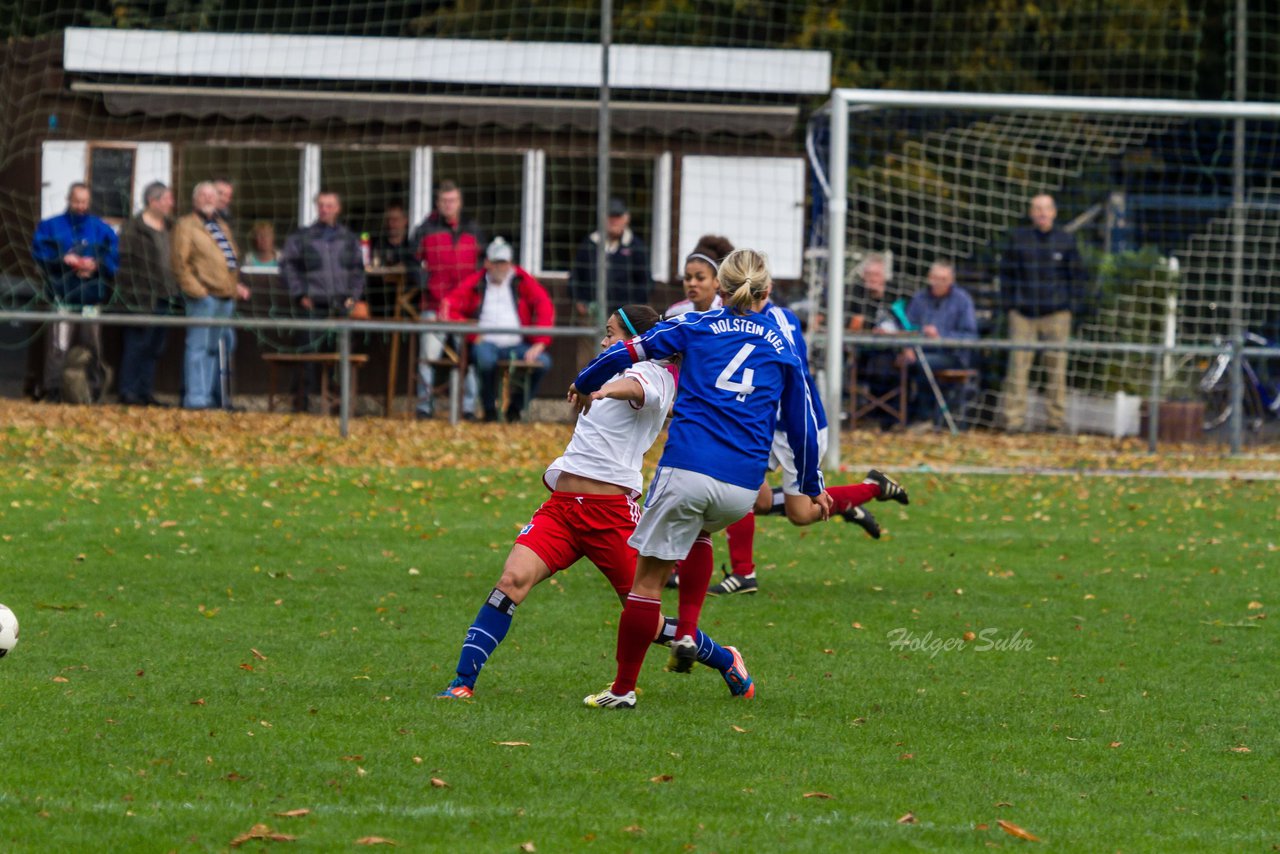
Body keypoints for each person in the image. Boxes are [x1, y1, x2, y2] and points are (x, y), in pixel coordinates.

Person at [437, 305, 754, 703]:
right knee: (511, 581)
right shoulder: (604, 369)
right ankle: (462, 682)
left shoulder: (657, 374)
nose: (604, 341)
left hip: (612, 515)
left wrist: (604, 388)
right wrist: (596, 380)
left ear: (634, 339)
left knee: (648, 621)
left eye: (611, 333)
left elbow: (637, 389)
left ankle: (726, 659)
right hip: (563, 508)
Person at [571, 248, 831, 710]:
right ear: (765, 292)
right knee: (701, 530)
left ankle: (623, 690)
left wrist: (585, 379)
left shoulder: (696, 324)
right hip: (742, 489)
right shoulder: (783, 346)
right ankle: (688, 633)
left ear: (721, 289)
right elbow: (803, 425)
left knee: (646, 584)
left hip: (688, 468)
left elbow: (630, 350)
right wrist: (811, 486)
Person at [999, 193, 1088, 433]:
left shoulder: (1065, 240)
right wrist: (1010, 306)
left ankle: (1055, 422)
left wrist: (1071, 307)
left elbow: (1077, 277)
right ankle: (1014, 421)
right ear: (1031, 212)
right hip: (1023, 315)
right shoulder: (1019, 240)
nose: (1042, 213)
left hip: (1056, 314)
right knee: (1017, 368)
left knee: (1056, 369)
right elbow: (1006, 275)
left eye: (1046, 208)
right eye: (1037, 208)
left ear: (1054, 212)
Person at [445, 237, 554, 422]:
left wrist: (540, 343)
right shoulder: (476, 282)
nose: (500, 267)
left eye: (503, 263)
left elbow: (545, 306)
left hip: (518, 344)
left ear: (510, 263)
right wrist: (473, 334)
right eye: (496, 262)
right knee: (484, 360)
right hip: (485, 342)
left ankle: (515, 408)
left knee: (543, 362)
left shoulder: (521, 281)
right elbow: (449, 306)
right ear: (487, 263)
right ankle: (489, 410)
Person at [30, 182, 119, 402]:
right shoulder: (51, 226)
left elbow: (113, 257)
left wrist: (96, 264)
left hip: (90, 297)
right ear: (69, 200)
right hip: (62, 296)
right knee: (58, 343)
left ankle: (93, 387)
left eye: (84, 202)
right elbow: (39, 254)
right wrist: (63, 260)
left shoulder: (100, 228)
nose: (80, 206)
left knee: (92, 341)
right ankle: (53, 389)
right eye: (77, 201)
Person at [278, 190, 365, 412]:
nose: (325, 209)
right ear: (317, 207)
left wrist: (353, 297)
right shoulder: (302, 236)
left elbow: (358, 270)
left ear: (338, 208)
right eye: (322, 205)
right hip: (312, 305)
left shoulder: (349, 238)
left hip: (340, 306)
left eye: (330, 205)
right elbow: (287, 266)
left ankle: (338, 408)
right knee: (307, 356)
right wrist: (299, 294)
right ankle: (302, 405)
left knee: (339, 357)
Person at [172, 180, 249, 410]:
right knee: (198, 347)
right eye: (203, 195)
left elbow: (230, 261)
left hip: (225, 298)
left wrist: (234, 286)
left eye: (211, 196)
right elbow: (179, 263)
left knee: (217, 348)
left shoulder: (221, 226)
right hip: (204, 298)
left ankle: (213, 398)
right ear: (194, 200)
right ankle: (196, 400)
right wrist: (199, 292)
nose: (208, 199)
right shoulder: (186, 225)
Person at [412, 180, 486, 419]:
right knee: (427, 357)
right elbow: (411, 262)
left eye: (452, 200)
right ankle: (424, 406)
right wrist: (427, 284)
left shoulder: (473, 230)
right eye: (444, 201)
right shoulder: (425, 229)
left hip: (465, 310)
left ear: (459, 202)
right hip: (433, 306)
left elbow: (483, 267)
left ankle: (467, 408)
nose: (448, 205)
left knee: (470, 360)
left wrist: (475, 295)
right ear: (438, 203)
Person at [115, 181, 178, 406]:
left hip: (166, 296)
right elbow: (123, 265)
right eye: (168, 199)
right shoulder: (133, 228)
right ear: (153, 201)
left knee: (155, 346)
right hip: (141, 297)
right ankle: (128, 391)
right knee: (137, 344)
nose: (172, 203)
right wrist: (132, 292)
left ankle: (145, 391)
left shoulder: (171, 227)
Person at [901, 259, 978, 426]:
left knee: (923, 364)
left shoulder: (962, 300)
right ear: (929, 277)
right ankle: (900, 417)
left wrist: (941, 337)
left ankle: (926, 416)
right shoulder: (919, 298)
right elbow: (907, 327)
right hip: (921, 351)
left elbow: (970, 335)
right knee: (900, 363)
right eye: (935, 278)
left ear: (951, 280)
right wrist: (907, 347)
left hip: (953, 356)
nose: (938, 283)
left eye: (943, 279)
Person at [569, 197, 653, 320]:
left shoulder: (636, 246)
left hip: (625, 315)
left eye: (618, 216)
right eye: (610, 216)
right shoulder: (589, 243)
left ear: (626, 218)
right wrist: (579, 299)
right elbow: (576, 275)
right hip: (591, 312)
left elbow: (645, 282)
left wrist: (633, 308)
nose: (614, 221)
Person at [664, 235, 732, 318]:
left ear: (717, 281)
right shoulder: (674, 313)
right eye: (687, 278)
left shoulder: (727, 312)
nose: (692, 284)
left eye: (700, 278)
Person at [373, 203, 418, 270]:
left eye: (395, 220)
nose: (390, 223)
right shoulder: (379, 245)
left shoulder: (411, 246)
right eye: (388, 219)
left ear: (405, 220)